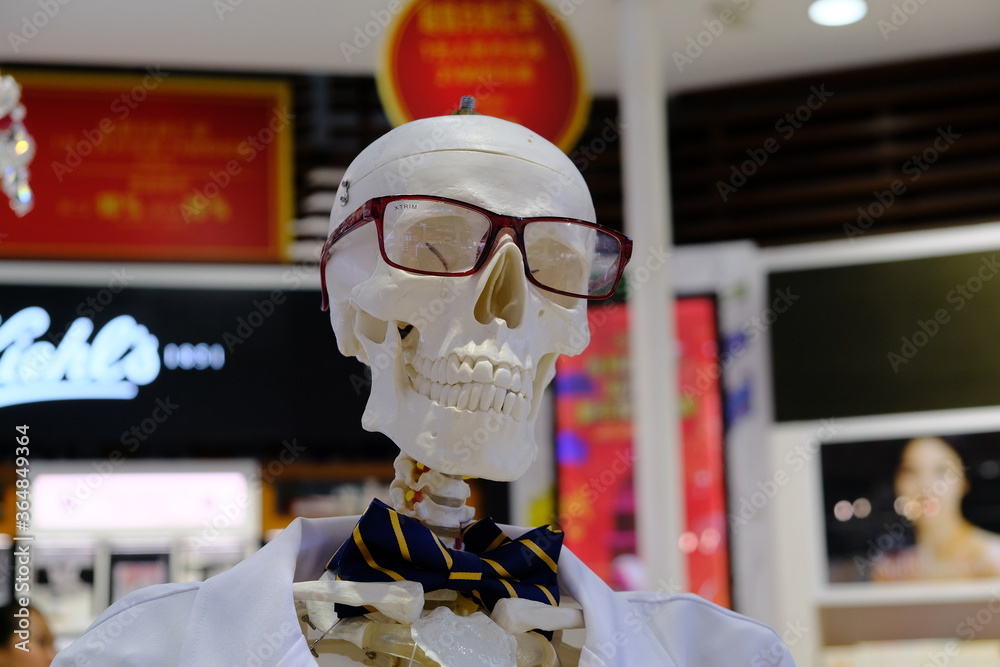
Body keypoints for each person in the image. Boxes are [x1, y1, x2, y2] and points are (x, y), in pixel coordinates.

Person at [53, 107, 794, 665]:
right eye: (437, 248)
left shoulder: (723, 654)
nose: (502, 305)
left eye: (559, 267)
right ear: (346, 306)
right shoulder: (138, 652)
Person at [873, 436, 1000, 581]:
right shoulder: (890, 569)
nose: (925, 485)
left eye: (941, 471)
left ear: (964, 481)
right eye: (911, 471)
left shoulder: (993, 557)